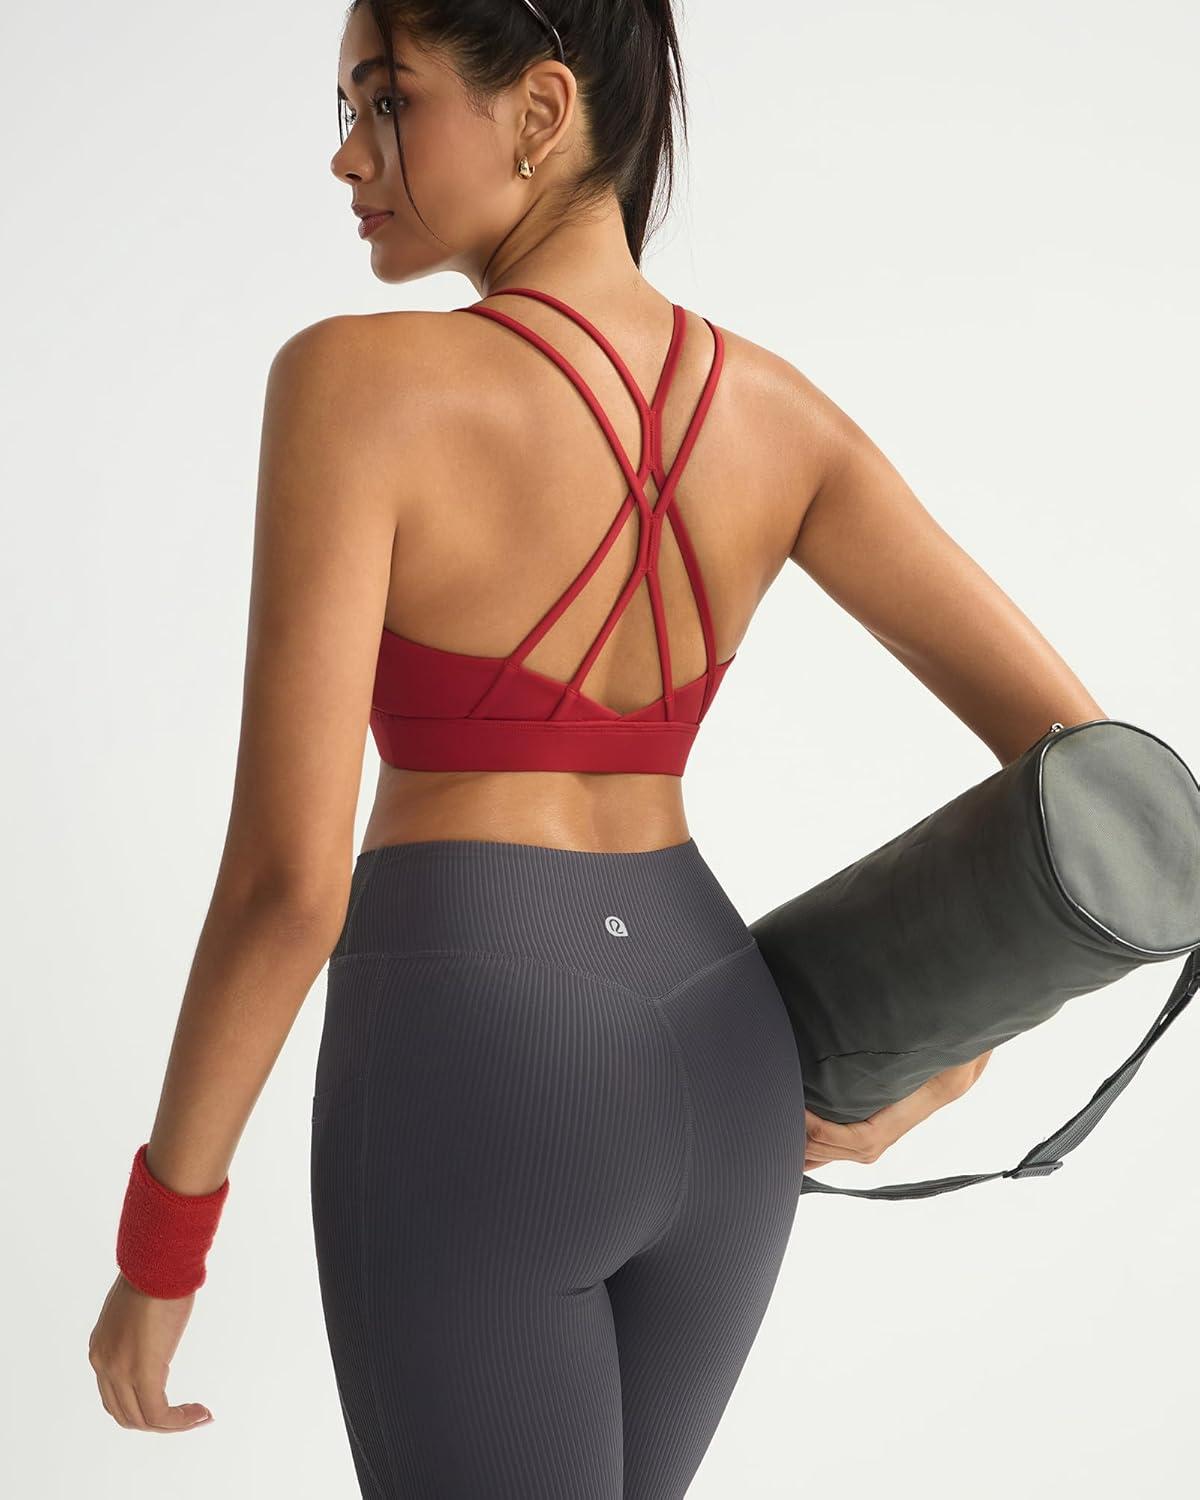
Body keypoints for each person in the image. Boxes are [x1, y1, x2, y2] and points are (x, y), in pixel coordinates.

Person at [87, 1, 1107, 1494]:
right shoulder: (783, 418)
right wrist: (945, 1053)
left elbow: (287, 886)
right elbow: (1101, 790)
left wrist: (161, 1244)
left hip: (479, 1046)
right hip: (724, 1055)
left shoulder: (356, 385)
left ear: (541, 110)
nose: (346, 156)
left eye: (386, 102)